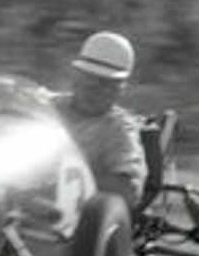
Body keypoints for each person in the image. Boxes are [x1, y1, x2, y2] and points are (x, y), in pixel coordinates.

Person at [59, 31, 148, 211]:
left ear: (120, 89)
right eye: (89, 78)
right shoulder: (44, 105)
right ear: (75, 76)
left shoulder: (119, 128)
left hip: (74, 223)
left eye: (106, 83)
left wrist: (64, 175)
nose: (95, 89)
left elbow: (129, 189)